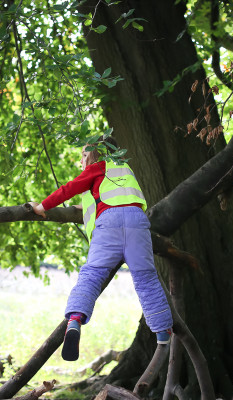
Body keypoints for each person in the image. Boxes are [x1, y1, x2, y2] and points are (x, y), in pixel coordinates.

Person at [29, 138, 173, 361]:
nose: (82, 161)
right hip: (138, 222)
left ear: (96, 156)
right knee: (146, 278)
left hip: (109, 223)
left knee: (92, 274)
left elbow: (69, 188)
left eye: (85, 156)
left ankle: (75, 319)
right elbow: (98, 199)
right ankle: (163, 331)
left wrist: (42, 206)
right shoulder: (125, 172)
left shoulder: (99, 167)